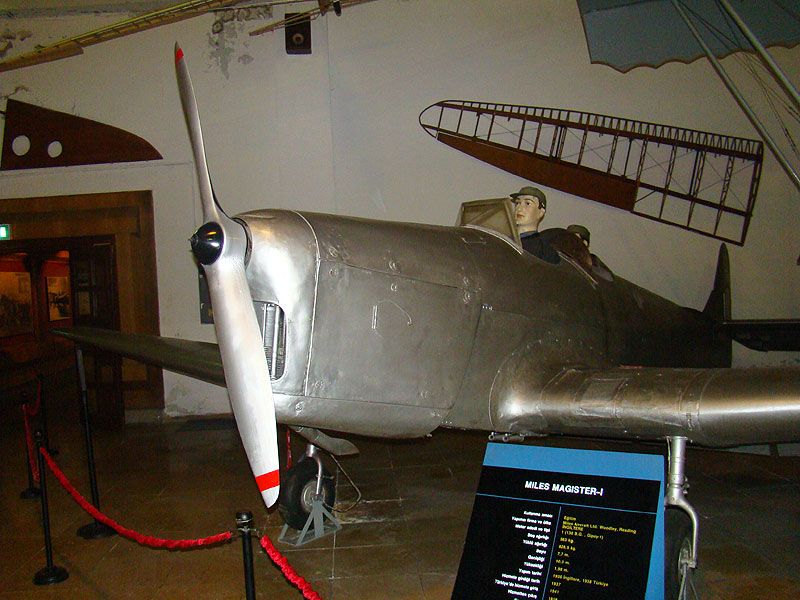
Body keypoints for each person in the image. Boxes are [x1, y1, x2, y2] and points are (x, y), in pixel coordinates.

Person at [510, 186, 559, 264]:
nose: (519, 208)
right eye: (517, 203)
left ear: (541, 212)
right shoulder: (505, 239)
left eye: (527, 203)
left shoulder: (544, 252)